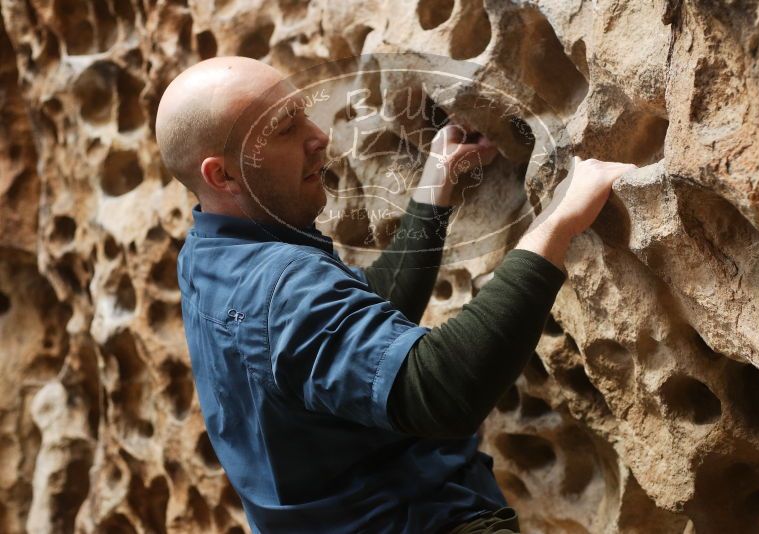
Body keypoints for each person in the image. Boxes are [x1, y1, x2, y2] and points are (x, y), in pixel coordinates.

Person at [155, 56, 636, 534]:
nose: (317, 136)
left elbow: (354, 336)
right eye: (285, 129)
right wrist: (558, 223)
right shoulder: (278, 286)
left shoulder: (209, 254)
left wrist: (436, 185)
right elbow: (440, 391)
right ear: (222, 176)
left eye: (302, 111)